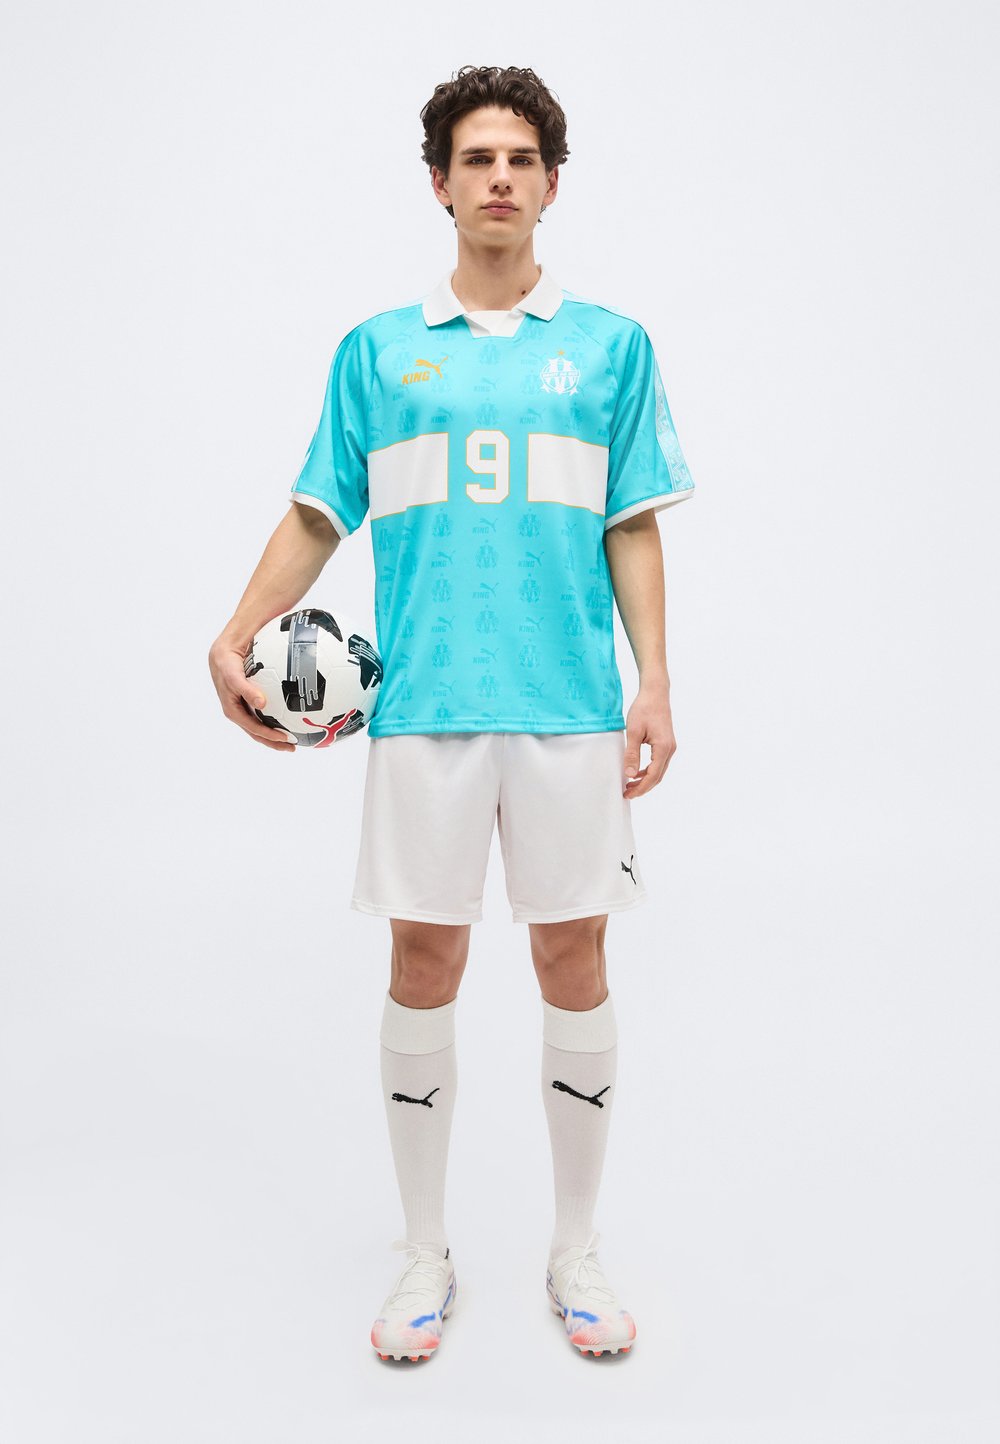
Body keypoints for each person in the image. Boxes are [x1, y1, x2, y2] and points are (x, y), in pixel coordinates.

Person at [208, 63, 695, 1363]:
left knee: (573, 961)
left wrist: (653, 681)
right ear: (439, 183)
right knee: (423, 965)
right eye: (476, 158)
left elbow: (632, 523)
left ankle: (575, 1248)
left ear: (551, 184)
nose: (499, 178)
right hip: (422, 709)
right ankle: (424, 1252)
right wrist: (235, 631)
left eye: (521, 158)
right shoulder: (379, 351)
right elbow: (320, 511)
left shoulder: (612, 348)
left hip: (569, 709)